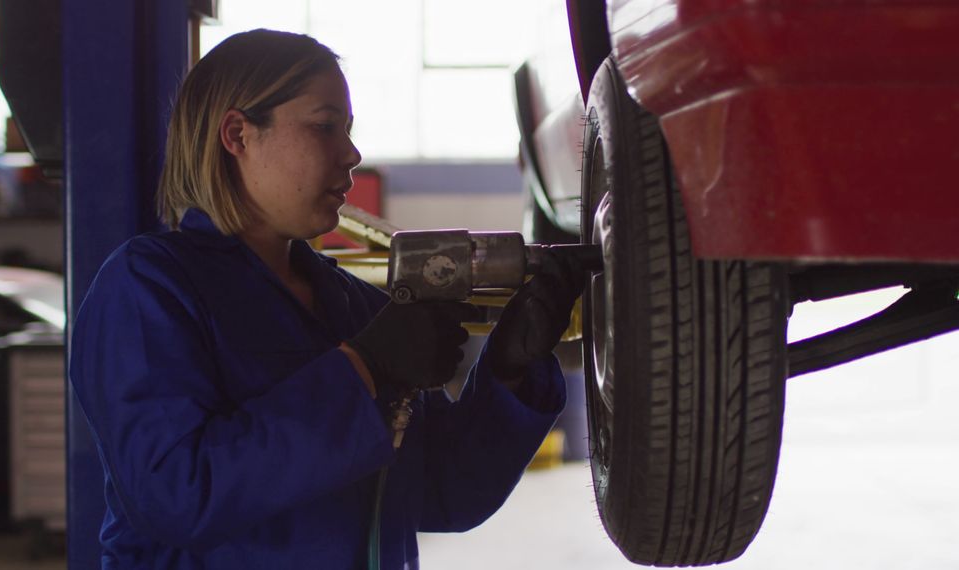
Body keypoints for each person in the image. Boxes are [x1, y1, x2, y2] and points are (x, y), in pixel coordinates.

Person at [69, 28, 584, 570]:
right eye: (324, 127)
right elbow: (177, 492)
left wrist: (508, 370)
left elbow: (444, 491)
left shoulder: (351, 304)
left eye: (349, 131)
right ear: (238, 134)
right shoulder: (148, 287)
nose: (352, 154)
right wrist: (362, 369)